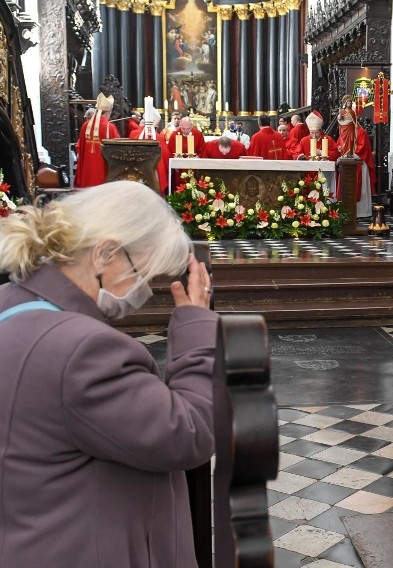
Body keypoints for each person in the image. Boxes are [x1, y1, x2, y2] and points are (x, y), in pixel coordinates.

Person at [0, 181, 216, 567]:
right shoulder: (83, 350)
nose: (143, 291)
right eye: (142, 273)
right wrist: (197, 327)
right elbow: (188, 433)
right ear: (106, 253)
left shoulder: (11, 302)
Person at [75, 92, 120, 188]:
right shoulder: (110, 127)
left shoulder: (85, 126)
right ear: (108, 112)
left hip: (87, 169)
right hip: (102, 170)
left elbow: (80, 148)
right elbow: (117, 149)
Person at [136, 108, 171, 195]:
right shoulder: (158, 138)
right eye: (156, 126)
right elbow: (166, 156)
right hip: (155, 175)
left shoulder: (135, 135)